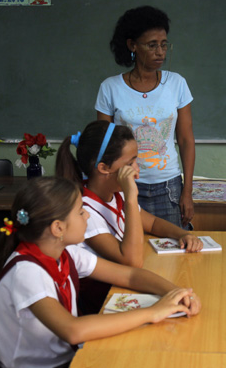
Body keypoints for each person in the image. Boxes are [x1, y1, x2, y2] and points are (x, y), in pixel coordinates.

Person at [0, 177, 201, 368]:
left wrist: (178, 293)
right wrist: (153, 313)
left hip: (68, 356)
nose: (87, 214)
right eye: (80, 211)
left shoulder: (66, 252)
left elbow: (130, 275)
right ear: (58, 228)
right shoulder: (27, 273)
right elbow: (73, 331)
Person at [56, 120, 203, 313]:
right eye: (130, 163)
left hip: (121, 288)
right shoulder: (85, 212)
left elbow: (153, 223)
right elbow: (132, 261)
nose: (137, 169)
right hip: (100, 304)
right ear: (104, 168)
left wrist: (182, 234)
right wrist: (131, 199)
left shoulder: (115, 194)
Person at [96, 5, 195, 230]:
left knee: (174, 253)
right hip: (124, 184)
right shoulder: (110, 88)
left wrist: (187, 191)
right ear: (132, 45)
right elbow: (103, 145)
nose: (160, 52)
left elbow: (187, 141)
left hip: (168, 187)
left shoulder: (177, 83)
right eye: (152, 45)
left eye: (164, 44)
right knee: (128, 250)